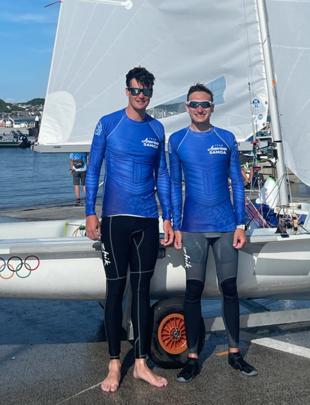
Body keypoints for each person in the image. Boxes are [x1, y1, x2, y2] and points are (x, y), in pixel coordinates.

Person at [85, 66, 174, 392]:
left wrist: (168, 217)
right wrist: (89, 212)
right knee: (115, 290)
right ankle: (113, 365)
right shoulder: (108, 123)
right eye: (136, 90)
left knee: (142, 291)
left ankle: (139, 364)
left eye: (146, 92)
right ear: (127, 91)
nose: (141, 96)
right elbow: (93, 168)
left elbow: (162, 175)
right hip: (114, 220)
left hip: (147, 219)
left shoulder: (156, 127)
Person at [168, 84, 256, 383]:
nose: (199, 108)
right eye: (194, 104)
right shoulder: (177, 140)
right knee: (192, 292)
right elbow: (172, 186)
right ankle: (192, 359)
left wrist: (241, 223)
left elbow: (237, 182)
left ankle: (235, 354)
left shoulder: (226, 138)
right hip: (192, 226)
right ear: (186, 106)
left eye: (205, 104)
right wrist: (175, 225)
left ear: (213, 106)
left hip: (225, 225)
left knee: (229, 289)